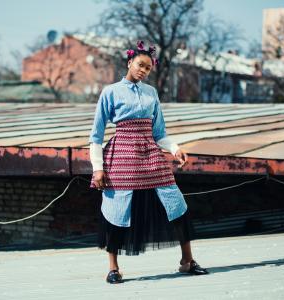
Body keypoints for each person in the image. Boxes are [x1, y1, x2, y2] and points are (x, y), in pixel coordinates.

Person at [89, 40, 208, 284]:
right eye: (140, 65)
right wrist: (98, 169)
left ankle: (187, 261)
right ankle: (113, 268)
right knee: (116, 209)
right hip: (121, 156)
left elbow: (159, 132)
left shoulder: (151, 93)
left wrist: (175, 149)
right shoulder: (110, 92)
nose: (144, 70)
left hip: (151, 154)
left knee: (176, 203)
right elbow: (96, 135)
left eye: (149, 68)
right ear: (129, 62)